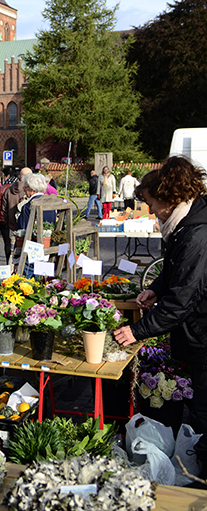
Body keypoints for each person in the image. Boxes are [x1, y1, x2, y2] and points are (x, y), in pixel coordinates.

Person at [114, 157, 207, 481]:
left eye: (153, 205)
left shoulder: (197, 234)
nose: (151, 212)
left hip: (203, 335)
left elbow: (183, 300)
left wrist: (136, 331)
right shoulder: (188, 224)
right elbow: (174, 273)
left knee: (205, 411)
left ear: (169, 199)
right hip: (197, 333)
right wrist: (155, 289)